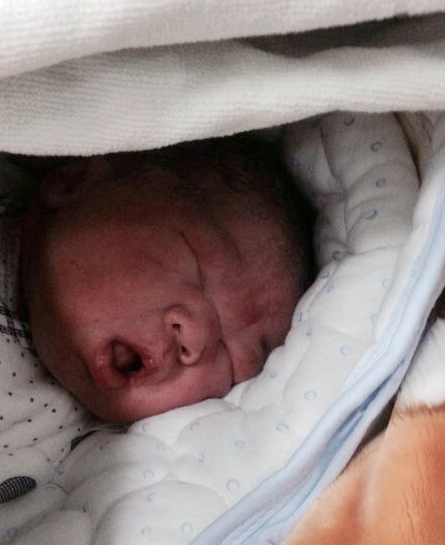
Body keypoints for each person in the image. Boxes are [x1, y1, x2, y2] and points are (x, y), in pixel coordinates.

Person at [17, 135, 314, 423]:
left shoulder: (40, 435)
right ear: (71, 182)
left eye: (235, 364)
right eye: (197, 268)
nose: (194, 341)